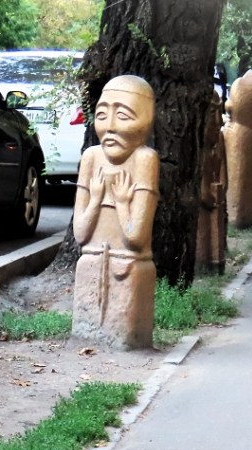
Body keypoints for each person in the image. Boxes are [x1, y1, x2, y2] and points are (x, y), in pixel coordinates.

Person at [71, 75, 159, 349]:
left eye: (123, 115)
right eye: (101, 115)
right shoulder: (91, 158)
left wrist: (121, 202)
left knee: (123, 325)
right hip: (91, 263)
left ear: (145, 120)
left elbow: (135, 237)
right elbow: (81, 234)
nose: (109, 127)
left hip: (129, 265)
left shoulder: (145, 159)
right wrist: (96, 198)